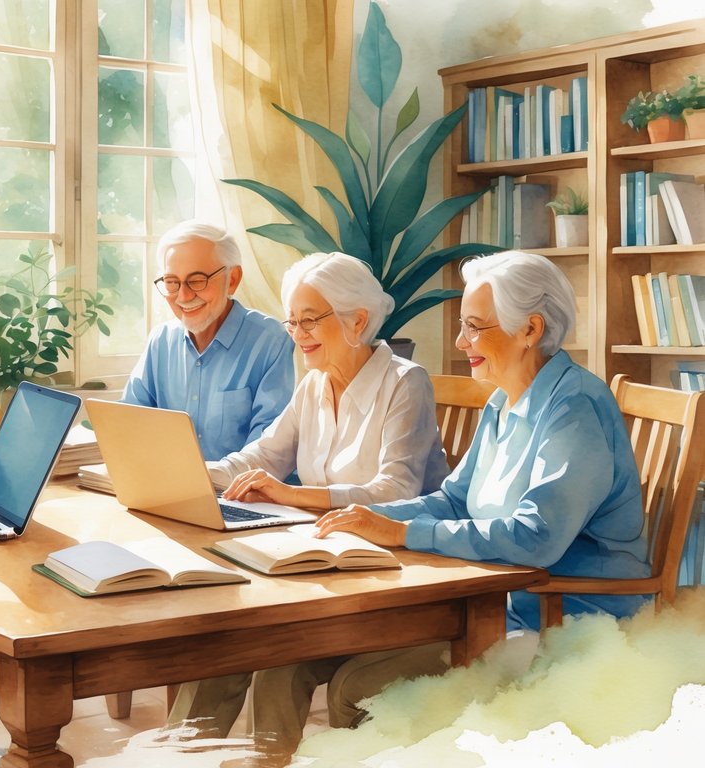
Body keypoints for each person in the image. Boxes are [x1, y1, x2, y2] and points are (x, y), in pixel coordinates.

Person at [253, 251, 651, 764]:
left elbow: (537, 538)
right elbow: (454, 499)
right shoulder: (503, 401)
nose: (460, 342)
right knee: (285, 658)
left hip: (562, 615)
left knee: (356, 684)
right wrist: (370, 521)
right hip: (487, 601)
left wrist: (403, 535)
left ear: (530, 329)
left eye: (474, 327)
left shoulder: (574, 408)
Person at [164, 251, 449, 739]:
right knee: (224, 643)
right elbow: (260, 458)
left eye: (310, 321)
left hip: (396, 576)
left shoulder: (406, 382)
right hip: (327, 564)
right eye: (291, 322)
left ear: (357, 320)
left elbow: (396, 490)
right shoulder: (314, 383)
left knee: (259, 646)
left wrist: (295, 496)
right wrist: (181, 474)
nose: (297, 334)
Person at [121, 220, 295, 461]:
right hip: (166, 488)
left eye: (197, 280)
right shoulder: (160, 340)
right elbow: (128, 423)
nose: (183, 296)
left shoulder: (271, 340)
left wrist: (205, 481)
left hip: (236, 493)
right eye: (172, 282)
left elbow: (268, 448)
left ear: (232, 279)